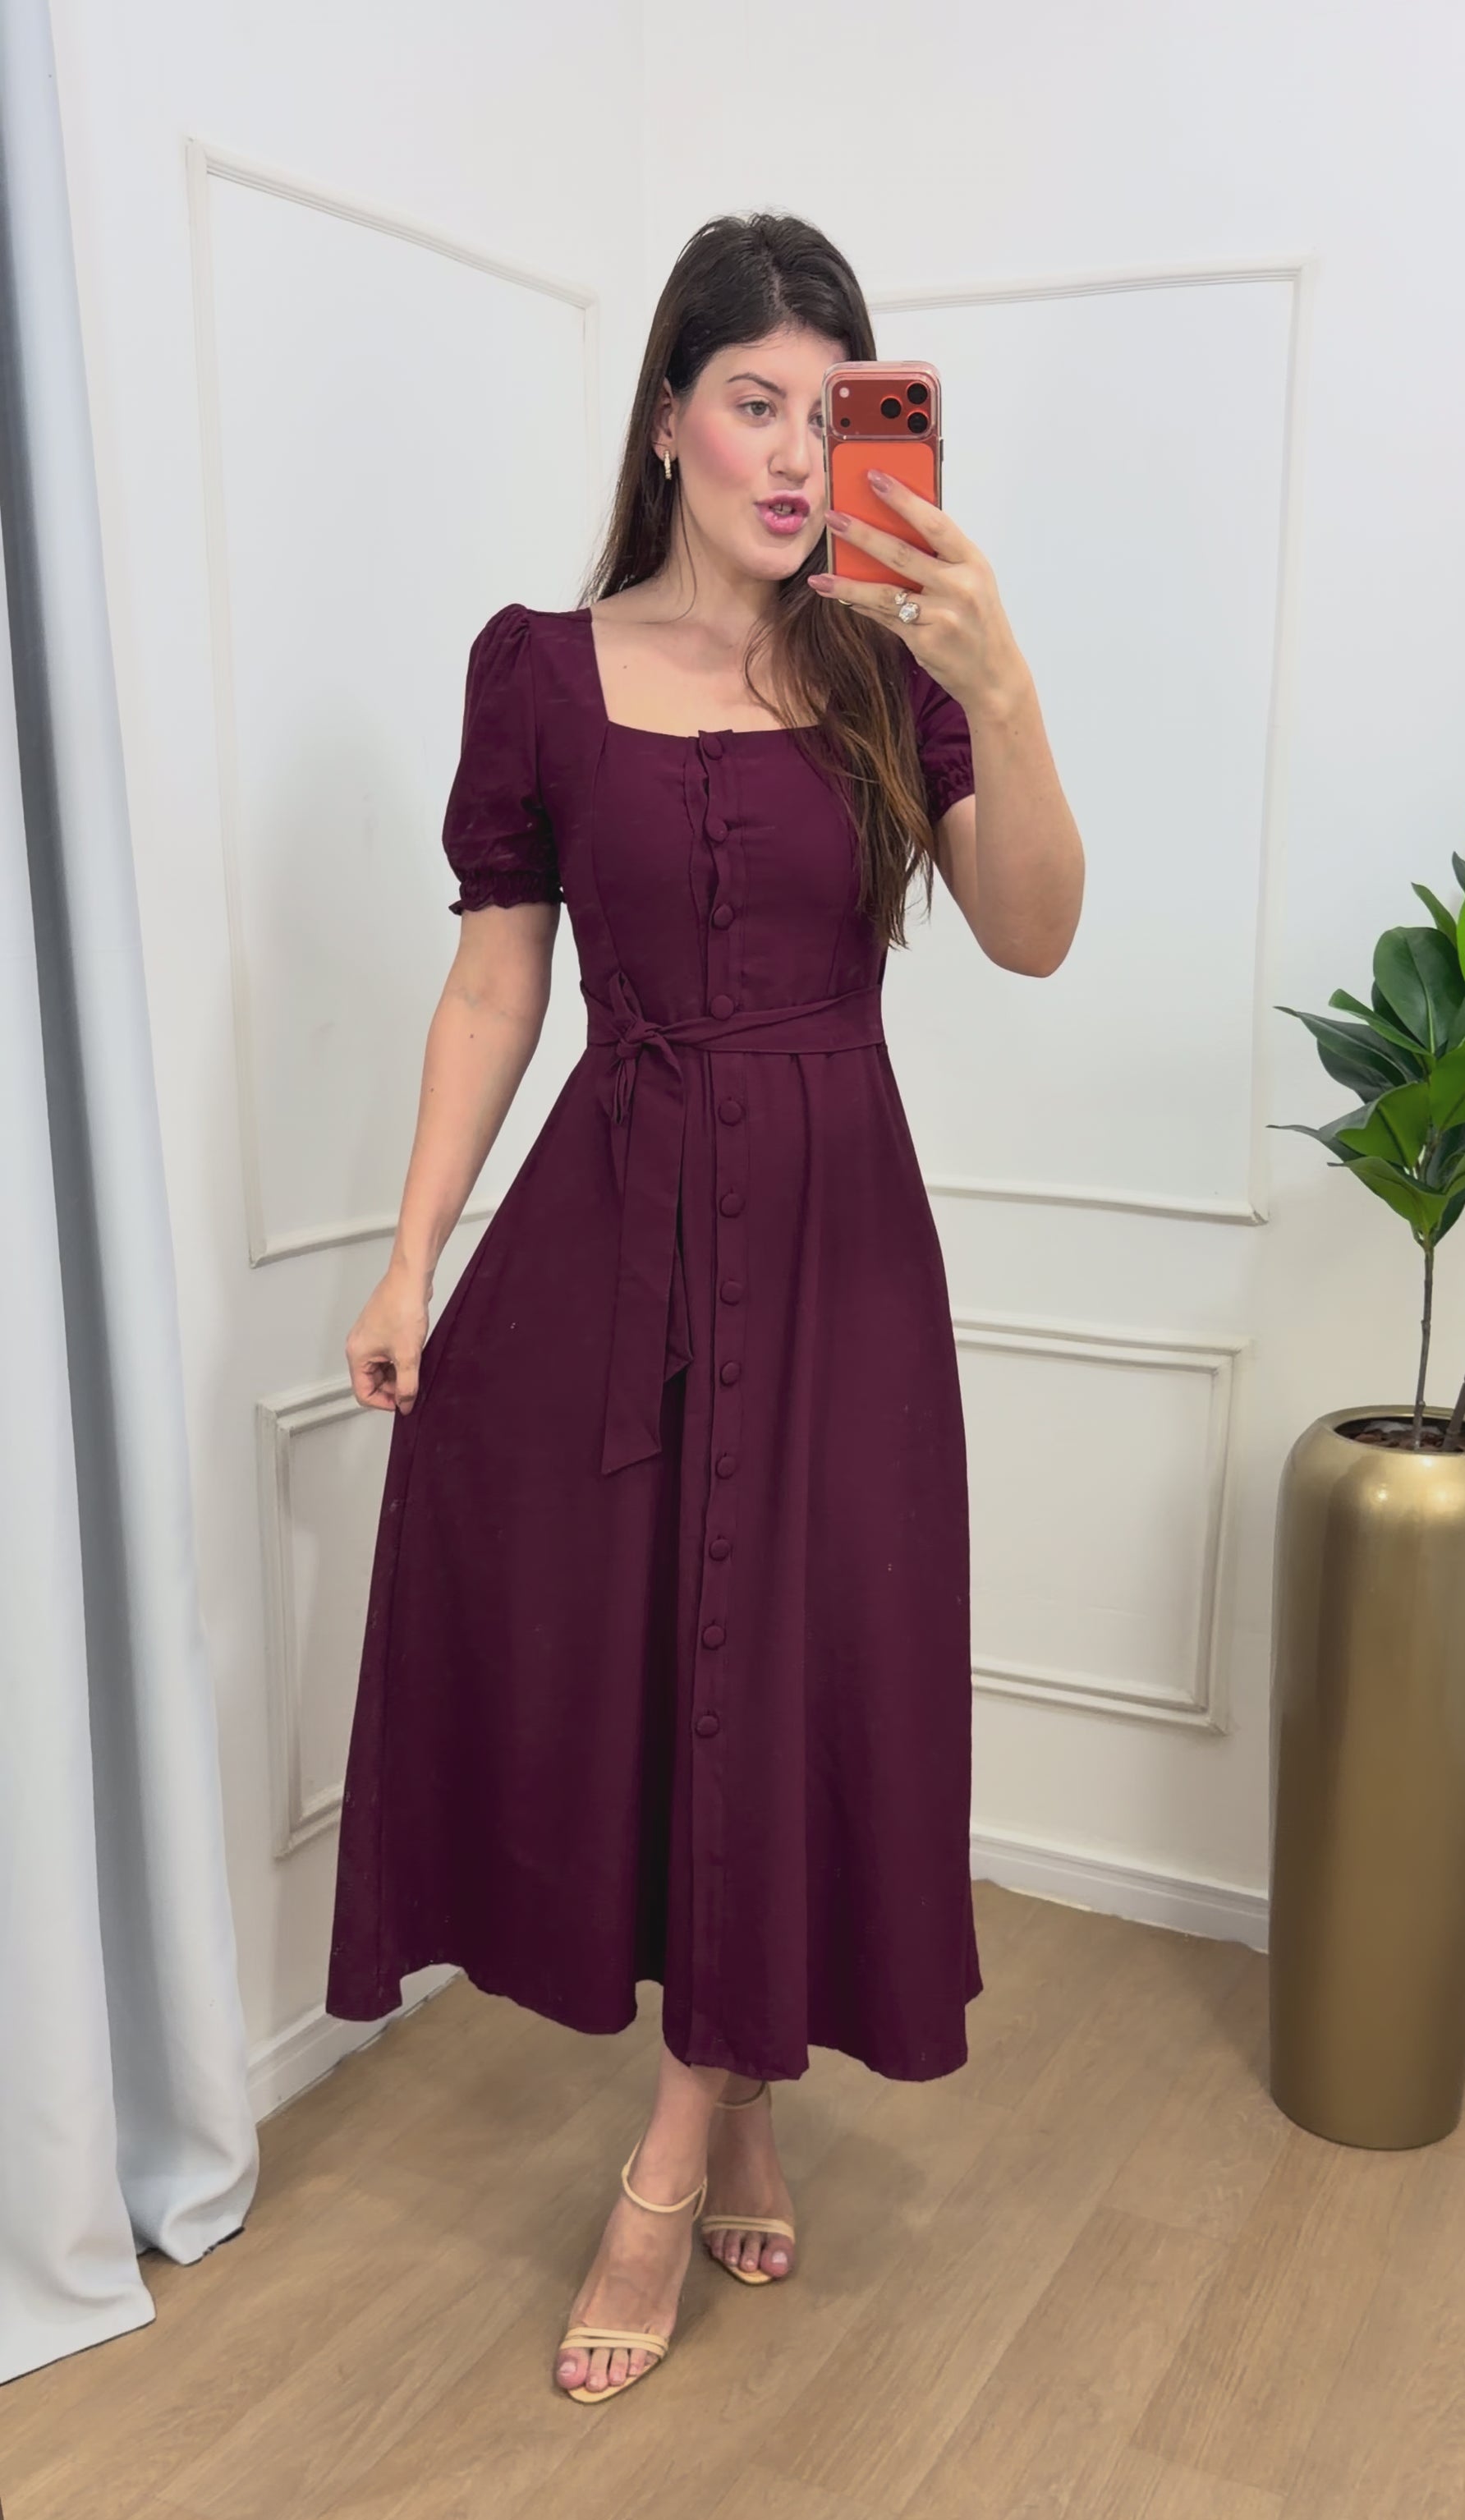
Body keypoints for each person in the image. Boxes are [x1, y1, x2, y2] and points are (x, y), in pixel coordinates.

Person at [324, 210, 1084, 2404]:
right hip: (615, 1220)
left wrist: (999, 678)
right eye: (754, 400)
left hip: (839, 1239)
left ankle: (664, 2159)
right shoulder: (537, 673)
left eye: (835, 410)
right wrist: (411, 1249)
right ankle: (739, 2099)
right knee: (651, 1664)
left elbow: (1033, 930)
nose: (793, 451)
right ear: (667, 418)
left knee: (793, 1658)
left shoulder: (890, 671)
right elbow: (498, 983)